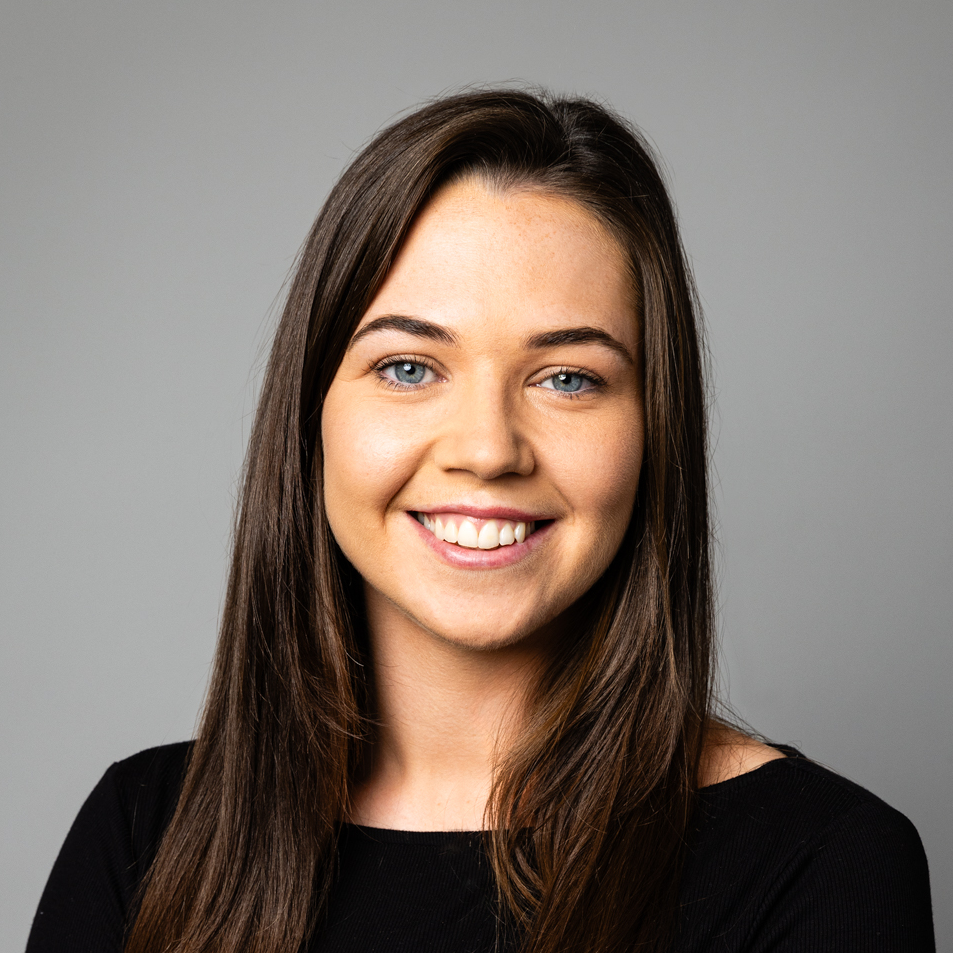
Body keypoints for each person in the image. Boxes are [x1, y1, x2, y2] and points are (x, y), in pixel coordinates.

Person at [26, 88, 935, 953]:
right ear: (312, 414)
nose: (488, 449)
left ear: (654, 427)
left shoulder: (824, 864)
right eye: (410, 367)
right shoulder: (142, 832)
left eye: (567, 378)